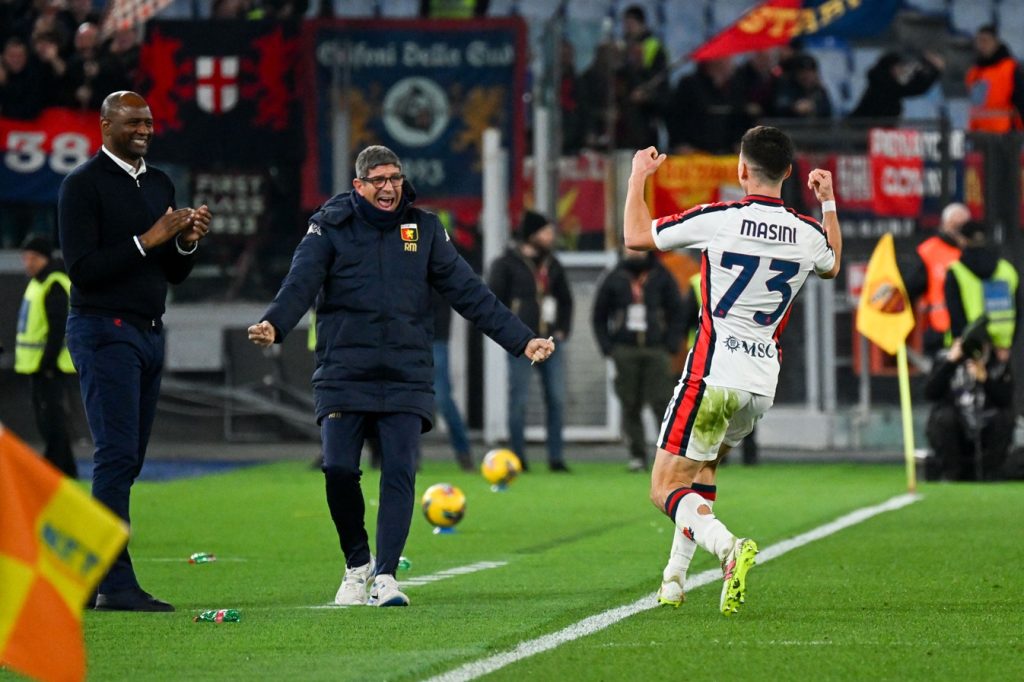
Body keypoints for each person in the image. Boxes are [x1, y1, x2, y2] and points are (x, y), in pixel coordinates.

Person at [248, 145, 553, 608]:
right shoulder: (328, 227)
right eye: (379, 180)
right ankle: (357, 564)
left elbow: (470, 292)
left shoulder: (424, 229)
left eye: (394, 178)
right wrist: (275, 323)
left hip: (405, 371)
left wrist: (522, 340)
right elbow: (300, 283)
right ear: (359, 186)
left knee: (400, 470)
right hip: (344, 369)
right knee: (338, 469)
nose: (389, 187)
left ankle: (386, 575)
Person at [623, 126, 842, 615]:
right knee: (702, 469)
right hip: (760, 385)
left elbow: (635, 236)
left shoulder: (720, 219)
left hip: (713, 375)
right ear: (789, 172)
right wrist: (828, 202)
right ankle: (674, 578)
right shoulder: (808, 233)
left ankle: (728, 548)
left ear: (742, 170)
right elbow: (832, 266)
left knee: (664, 488)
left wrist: (638, 177)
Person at [59, 91, 212, 612]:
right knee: (117, 455)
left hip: (148, 330)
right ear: (105, 125)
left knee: (128, 459)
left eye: (148, 121)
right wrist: (149, 239)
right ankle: (116, 584)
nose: (145, 129)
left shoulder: (160, 182)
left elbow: (172, 272)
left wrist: (186, 241)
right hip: (103, 329)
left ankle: (88, 574)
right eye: (133, 122)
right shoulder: (82, 185)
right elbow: (82, 271)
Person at [488, 210, 573, 473]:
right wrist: (510, 335)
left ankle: (556, 458)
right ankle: (517, 458)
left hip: (550, 342)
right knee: (519, 400)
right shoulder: (506, 263)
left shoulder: (553, 264)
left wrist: (562, 329)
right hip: (522, 344)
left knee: (557, 399)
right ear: (531, 234)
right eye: (546, 232)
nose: (551, 237)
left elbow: (566, 300)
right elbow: (494, 301)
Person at [592, 247, 685, 471]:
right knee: (630, 403)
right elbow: (599, 315)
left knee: (663, 402)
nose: (633, 252)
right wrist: (608, 347)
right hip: (625, 349)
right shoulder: (615, 276)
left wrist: (671, 344)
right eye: (629, 247)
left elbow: (677, 311)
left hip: (656, 348)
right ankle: (637, 455)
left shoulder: (661, 275)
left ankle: (668, 457)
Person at [15, 235, 77, 478]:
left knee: (52, 423)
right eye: (25, 258)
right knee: (50, 422)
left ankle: (50, 472)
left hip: (51, 367)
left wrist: (47, 364)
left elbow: (57, 328)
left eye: (33, 258)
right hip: (39, 365)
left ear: (45, 258)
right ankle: (67, 473)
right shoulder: (39, 282)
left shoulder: (53, 284)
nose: (28, 263)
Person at [924, 322, 1014, 481]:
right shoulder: (945, 359)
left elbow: (1006, 400)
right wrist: (950, 363)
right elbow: (930, 393)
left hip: (986, 429)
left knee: (1005, 417)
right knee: (943, 417)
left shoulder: (998, 362)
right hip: (956, 430)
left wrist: (985, 379)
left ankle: (990, 473)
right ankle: (951, 472)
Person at [903, 202, 969, 355]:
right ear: (944, 225)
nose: (959, 231)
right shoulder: (929, 251)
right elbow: (910, 287)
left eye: (963, 226)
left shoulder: (973, 252)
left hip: (971, 330)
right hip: (940, 331)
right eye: (955, 226)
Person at [944, 220, 1019, 347]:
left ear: (963, 240)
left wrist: (960, 342)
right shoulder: (1007, 269)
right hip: (1000, 346)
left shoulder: (956, 271)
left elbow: (955, 312)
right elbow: (1018, 310)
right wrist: (1007, 344)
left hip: (968, 344)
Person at [431, 290, 474, 471]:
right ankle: (407, 460)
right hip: (407, 339)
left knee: (443, 399)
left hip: (436, 338)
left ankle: (464, 453)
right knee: (407, 400)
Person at [618, 4, 668, 149]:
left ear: (641, 24)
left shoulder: (654, 46)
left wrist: (646, 94)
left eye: (630, 24)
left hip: (646, 111)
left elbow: (660, 80)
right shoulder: (623, 46)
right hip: (626, 109)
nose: (627, 28)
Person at [848, 50, 944, 122]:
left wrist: (929, 68)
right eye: (898, 67)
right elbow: (915, 88)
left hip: (872, 128)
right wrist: (934, 70)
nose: (901, 70)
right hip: (862, 129)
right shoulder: (886, 84)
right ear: (890, 68)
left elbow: (914, 86)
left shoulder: (881, 81)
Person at [966, 25, 1024, 133]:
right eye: (979, 41)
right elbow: (976, 106)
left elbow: (1021, 100)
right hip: (980, 133)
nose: (982, 45)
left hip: (1007, 133)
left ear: (996, 42)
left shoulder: (1010, 68)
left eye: (985, 41)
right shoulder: (974, 72)